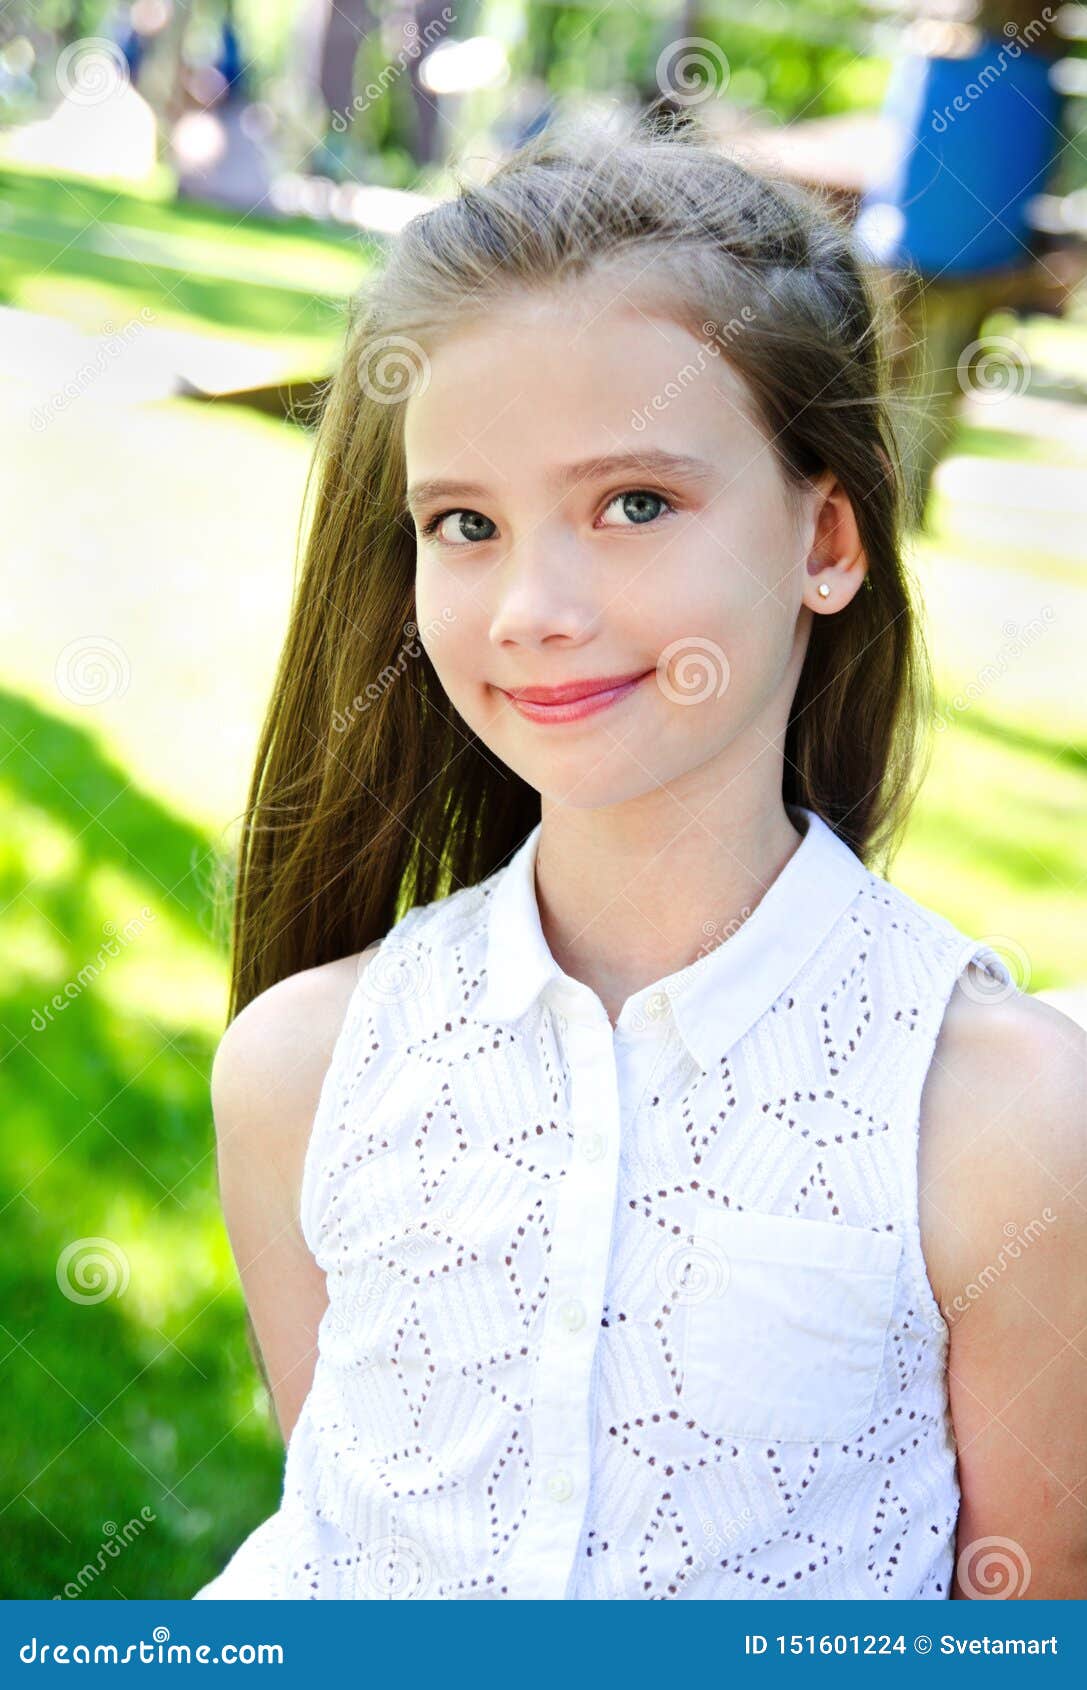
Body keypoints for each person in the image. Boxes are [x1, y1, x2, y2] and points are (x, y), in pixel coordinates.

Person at [193, 108, 1085, 1601]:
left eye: (636, 503)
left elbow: (1032, 1612)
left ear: (827, 538)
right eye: (465, 521)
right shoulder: (299, 1069)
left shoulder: (998, 1120)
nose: (534, 601)